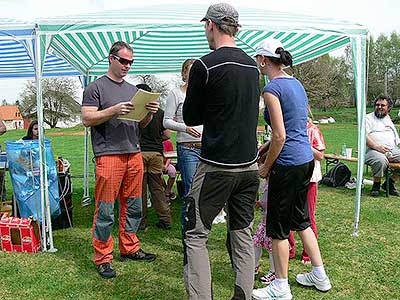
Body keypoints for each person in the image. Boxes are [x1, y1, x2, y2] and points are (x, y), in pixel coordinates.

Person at [182, 3, 260, 299]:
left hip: (216, 166)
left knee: (196, 236)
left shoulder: (204, 65)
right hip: (249, 167)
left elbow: (191, 117)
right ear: (236, 29)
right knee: (241, 233)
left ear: (210, 26)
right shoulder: (253, 66)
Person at [252, 38, 331, 300]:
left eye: (257, 58)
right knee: (302, 221)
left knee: (277, 228)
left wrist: (265, 168)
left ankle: (280, 286)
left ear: (263, 60)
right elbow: (294, 129)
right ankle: (319, 276)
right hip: (305, 161)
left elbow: (280, 136)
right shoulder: (296, 84)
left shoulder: (271, 89)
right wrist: (265, 149)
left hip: (286, 165)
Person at [81, 41, 158, 279]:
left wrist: (148, 113)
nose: (127, 66)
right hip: (108, 154)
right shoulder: (95, 87)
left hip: (133, 152)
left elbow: (140, 124)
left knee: (134, 205)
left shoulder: (132, 89)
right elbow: (86, 118)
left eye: (130, 62)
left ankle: (130, 247)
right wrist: (113, 110)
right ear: (111, 58)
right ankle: (103, 257)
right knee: (105, 208)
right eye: (123, 61)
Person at [163, 58, 202, 226]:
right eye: (190, 71)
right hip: (188, 149)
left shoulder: (205, 94)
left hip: (207, 148)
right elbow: (166, 121)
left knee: (204, 190)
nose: (193, 75)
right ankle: (189, 232)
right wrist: (185, 128)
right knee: (191, 190)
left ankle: (200, 230)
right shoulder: (176, 93)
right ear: (184, 73)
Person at [288, 110, 326, 265]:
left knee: (308, 215)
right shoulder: (289, 129)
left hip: (310, 179)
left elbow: (320, 155)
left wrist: (303, 144)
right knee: (288, 213)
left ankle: (308, 253)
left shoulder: (313, 130)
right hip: (291, 177)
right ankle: (289, 249)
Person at [137, 83, 172, 231]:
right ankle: (165, 219)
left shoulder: (136, 112)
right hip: (157, 154)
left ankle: (141, 221)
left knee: (141, 190)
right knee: (157, 188)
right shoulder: (161, 112)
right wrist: (157, 140)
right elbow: (167, 135)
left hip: (140, 153)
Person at [366, 95, 400, 197]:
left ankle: (390, 183)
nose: (379, 107)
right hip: (372, 150)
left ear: (388, 108)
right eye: (377, 105)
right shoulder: (367, 118)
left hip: (391, 149)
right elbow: (364, 137)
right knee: (380, 160)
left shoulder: (388, 119)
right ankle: (376, 185)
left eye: (383, 105)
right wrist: (377, 147)